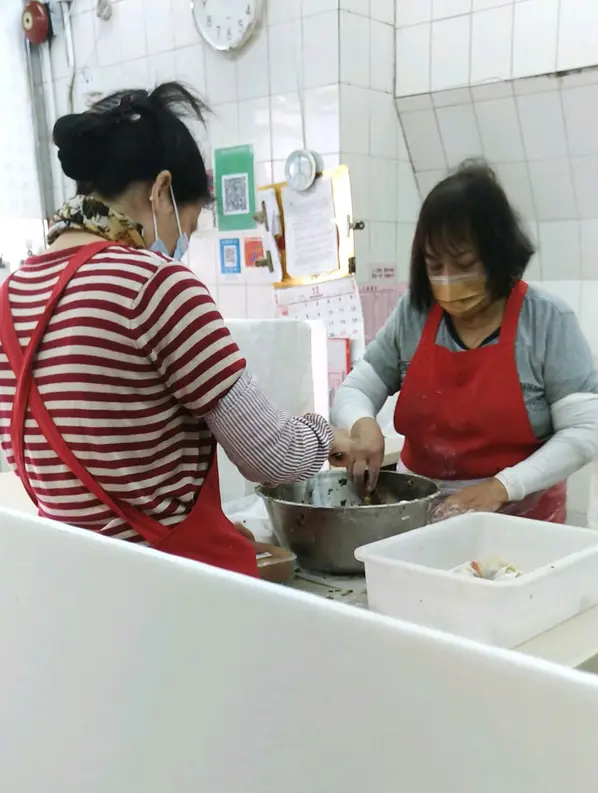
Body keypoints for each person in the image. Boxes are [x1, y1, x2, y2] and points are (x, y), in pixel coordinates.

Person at [0, 84, 355, 578]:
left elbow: (58, 469)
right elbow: (271, 457)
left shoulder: (9, 298)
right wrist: (329, 436)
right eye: (188, 223)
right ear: (162, 191)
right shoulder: (155, 285)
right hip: (168, 589)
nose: (182, 241)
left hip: (72, 581)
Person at [332, 161, 598, 523]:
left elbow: (584, 432)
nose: (448, 280)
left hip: (521, 520)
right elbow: (356, 388)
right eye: (435, 266)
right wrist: (362, 423)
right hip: (421, 516)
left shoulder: (547, 321)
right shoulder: (414, 314)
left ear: (498, 256)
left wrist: (502, 487)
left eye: (464, 265)